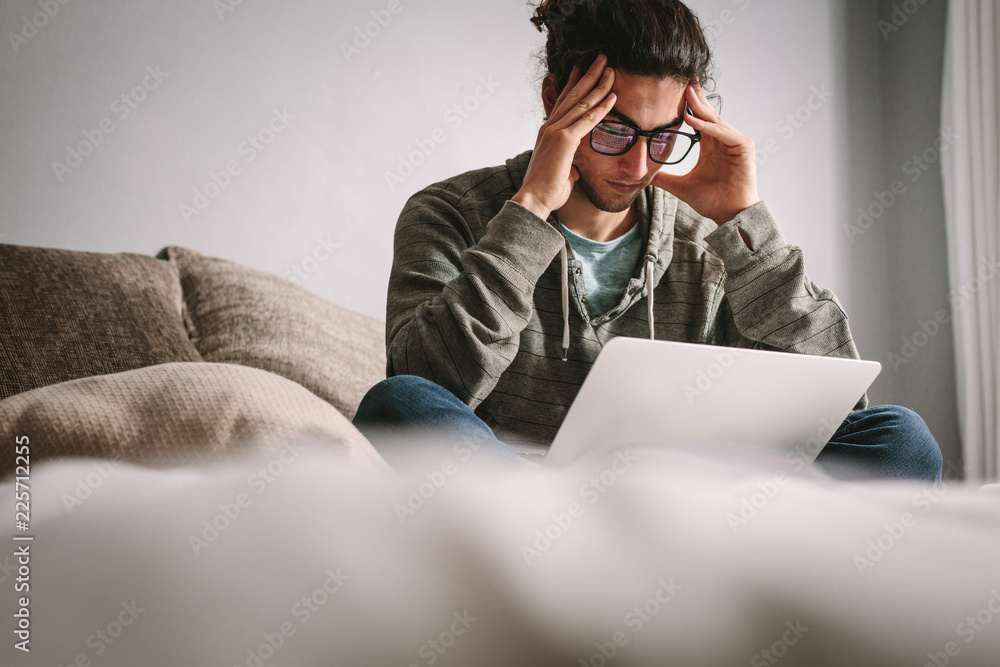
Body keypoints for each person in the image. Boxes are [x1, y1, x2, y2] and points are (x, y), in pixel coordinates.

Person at [353, 0, 942, 481]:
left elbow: (836, 407)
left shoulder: (710, 240)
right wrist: (529, 212)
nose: (639, 165)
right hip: (516, 492)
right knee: (399, 404)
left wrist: (746, 226)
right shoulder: (448, 211)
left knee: (901, 440)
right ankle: (564, 550)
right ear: (554, 100)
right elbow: (427, 385)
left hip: (687, 500)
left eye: (663, 138)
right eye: (615, 130)